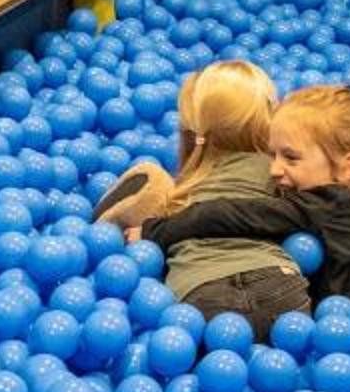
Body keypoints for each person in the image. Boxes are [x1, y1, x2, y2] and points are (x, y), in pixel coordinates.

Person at [116, 82, 350, 392]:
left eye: (290, 158)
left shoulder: (325, 204)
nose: (274, 169)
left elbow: (235, 215)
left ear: (348, 167)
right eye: (272, 155)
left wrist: (157, 230)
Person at [95, 60, 310, 335]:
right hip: (279, 286)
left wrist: (145, 229)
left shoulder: (186, 186)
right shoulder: (279, 170)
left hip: (198, 296)